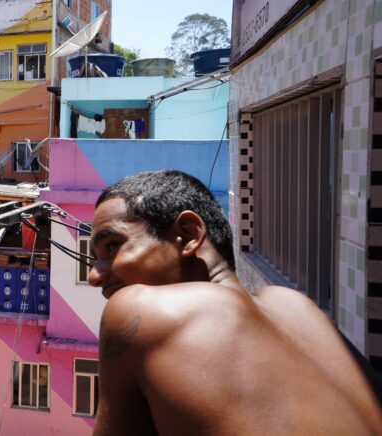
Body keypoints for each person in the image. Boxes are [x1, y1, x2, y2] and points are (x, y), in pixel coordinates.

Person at [87, 170, 382, 435]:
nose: (93, 276)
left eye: (112, 246)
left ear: (188, 235)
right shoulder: (295, 305)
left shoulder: (136, 309)